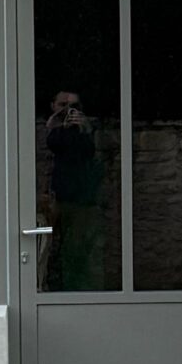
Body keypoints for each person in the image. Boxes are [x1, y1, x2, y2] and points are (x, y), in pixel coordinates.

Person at [44, 87, 106, 289]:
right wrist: (57, 123)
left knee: (78, 250)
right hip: (60, 198)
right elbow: (54, 144)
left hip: (83, 201)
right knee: (52, 250)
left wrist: (86, 129)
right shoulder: (55, 128)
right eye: (63, 105)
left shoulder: (89, 129)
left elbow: (94, 154)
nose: (69, 111)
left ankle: (76, 290)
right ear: (53, 106)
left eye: (74, 106)